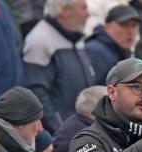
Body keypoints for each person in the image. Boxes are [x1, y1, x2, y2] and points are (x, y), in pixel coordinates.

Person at [22, 0, 94, 134]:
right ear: (65, 10)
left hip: (82, 131)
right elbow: (37, 93)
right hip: (60, 138)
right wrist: (61, 131)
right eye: (83, 8)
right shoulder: (40, 41)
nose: (88, 14)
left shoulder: (75, 38)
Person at [85, 5, 141, 85]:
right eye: (124, 25)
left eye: (134, 25)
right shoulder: (94, 52)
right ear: (107, 26)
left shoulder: (123, 52)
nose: (131, 31)